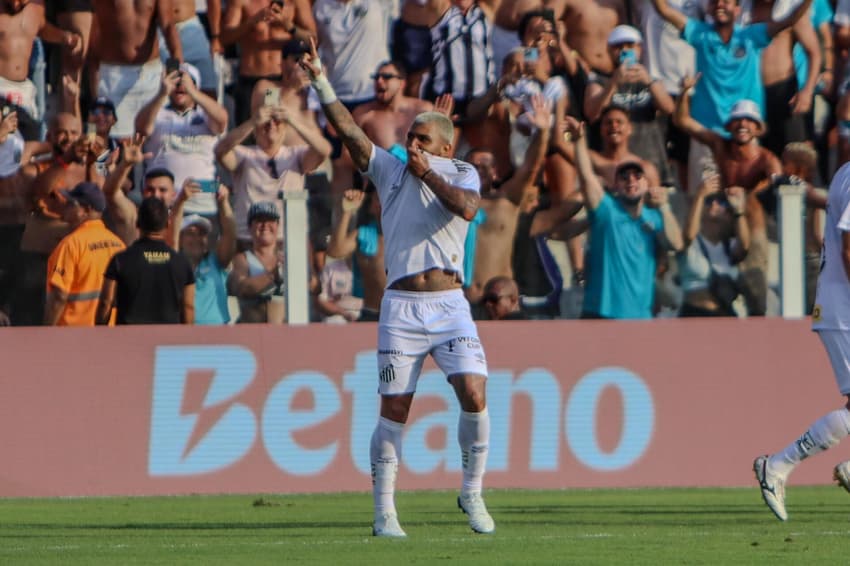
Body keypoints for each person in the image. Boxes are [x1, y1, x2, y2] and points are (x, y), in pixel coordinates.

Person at [300, 39, 494, 536]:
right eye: (411, 137)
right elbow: (348, 129)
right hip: (403, 306)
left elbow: (469, 210)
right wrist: (321, 79)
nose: (413, 145)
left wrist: (430, 172)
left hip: (451, 304)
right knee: (395, 408)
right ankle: (384, 510)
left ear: (446, 147)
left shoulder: (461, 171)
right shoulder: (389, 168)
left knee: (474, 391)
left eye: (423, 139)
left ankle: (472, 493)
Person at [753, 158, 850, 522]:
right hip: (844, 310)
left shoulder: (844, 170)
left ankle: (780, 466)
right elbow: (849, 249)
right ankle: (777, 466)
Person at [650, 0, 813, 196]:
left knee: (751, 204)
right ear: (708, 8)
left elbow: (789, 19)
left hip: (746, 135)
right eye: (714, 2)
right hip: (707, 135)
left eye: (726, 1)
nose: (720, 5)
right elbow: (663, 9)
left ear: (737, 10)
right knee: (705, 205)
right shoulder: (699, 33)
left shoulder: (752, 35)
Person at [564, 115, 684, 319]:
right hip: (599, 314)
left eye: (638, 176)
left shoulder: (655, 217)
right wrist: (578, 140)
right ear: (616, 185)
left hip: (639, 318)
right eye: (624, 176)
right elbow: (586, 176)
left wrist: (664, 207)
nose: (631, 180)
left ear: (647, 183)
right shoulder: (606, 210)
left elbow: (676, 244)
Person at [215, 96, 331, 247]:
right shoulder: (244, 155)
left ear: (285, 129)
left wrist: (291, 120)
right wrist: (252, 121)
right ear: (255, 131)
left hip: (289, 239)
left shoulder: (296, 155)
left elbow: (324, 150)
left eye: (277, 121)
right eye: (265, 122)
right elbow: (220, 151)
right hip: (248, 239)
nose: (271, 125)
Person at [135, 61, 227, 217]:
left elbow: (222, 121)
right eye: (175, 81)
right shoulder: (157, 112)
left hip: (202, 202)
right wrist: (162, 93)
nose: (180, 86)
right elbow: (142, 128)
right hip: (162, 204)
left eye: (185, 81)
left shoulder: (205, 115)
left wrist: (193, 92)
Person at [91, 0, 183, 139]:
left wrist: (177, 65)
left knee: (158, 137)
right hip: (113, 75)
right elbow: (94, 25)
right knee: (115, 143)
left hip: (150, 74)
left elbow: (168, 25)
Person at [96, 196, 195, 325]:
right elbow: (188, 306)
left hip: (129, 338)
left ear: (137, 223)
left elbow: (106, 302)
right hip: (167, 339)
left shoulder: (120, 260)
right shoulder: (182, 262)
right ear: (167, 224)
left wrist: (100, 333)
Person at [221, 0, 316, 126]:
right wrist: (252, 21)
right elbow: (225, 38)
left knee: (276, 131)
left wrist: (288, 25)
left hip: (280, 81)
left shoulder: (295, 2)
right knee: (247, 133)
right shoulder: (242, 2)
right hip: (251, 79)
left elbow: (313, 39)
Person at [44, 181, 125, 326]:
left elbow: (59, 296)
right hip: (110, 334)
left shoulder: (70, 245)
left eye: (70, 203)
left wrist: (47, 331)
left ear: (86, 210)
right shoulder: (118, 244)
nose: (65, 206)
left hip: (73, 335)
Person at [0, 0, 82, 140]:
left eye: (22, 2)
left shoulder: (36, 8)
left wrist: (64, 37)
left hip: (23, 91)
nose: (16, 5)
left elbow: (42, 28)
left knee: (27, 142)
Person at [677, 176, 749, 317]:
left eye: (721, 201)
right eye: (709, 201)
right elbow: (688, 235)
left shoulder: (729, 245)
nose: (714, 204)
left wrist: (739, 210)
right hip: (694, 314)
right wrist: (700, 196)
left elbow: (744, 246)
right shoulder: (692, 241)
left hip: (724, 315)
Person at [172, 183, 237, 325]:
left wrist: (223, 203)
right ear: (181, 239)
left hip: (218, 335)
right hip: (184, 337)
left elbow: (230, 234)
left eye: (202, 234)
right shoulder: (175, 263)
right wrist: (181, 201)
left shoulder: (217, 261)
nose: (197, 238)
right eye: (191, 233)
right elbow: (172, 232)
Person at [226, 201, 286, 323]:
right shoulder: (242, 259)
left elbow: (313, 286)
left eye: (270, 220)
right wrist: (273, 275)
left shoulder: (287, 258)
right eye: (259, 221)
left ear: (277, 225)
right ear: (249, 226)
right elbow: (242, 287)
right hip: (252, 330)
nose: (265, 225)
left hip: (285, 332)